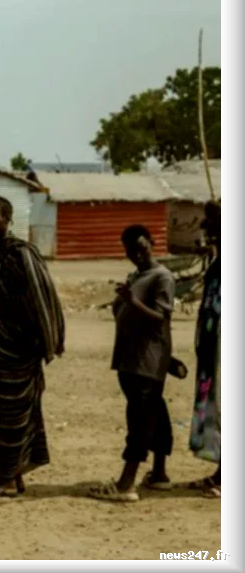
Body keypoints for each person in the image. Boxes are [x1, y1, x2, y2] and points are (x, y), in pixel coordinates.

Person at [0, 196, 65, 499]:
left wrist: (45, 341)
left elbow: (40, 298)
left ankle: (9, 478)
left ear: (8, 219)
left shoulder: (21, 254)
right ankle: (8, 475)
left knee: (11, 413)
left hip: (15, 353)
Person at [89, 225, 176, 503]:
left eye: (141, 247)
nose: (136, 254)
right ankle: (159, 473)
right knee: (154, 413)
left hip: (146, 361)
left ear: (152, 242)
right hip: (132, 358)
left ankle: (127, 483)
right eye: (130, 250)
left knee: (139, 418)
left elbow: (159, 318)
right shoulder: (137, 275)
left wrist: (132, 301)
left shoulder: (162, 277)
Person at [187, 202, 220, 499]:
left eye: (212, 224)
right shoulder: (216, 263)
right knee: (215, 406)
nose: (207, 230)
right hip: (213, 346)